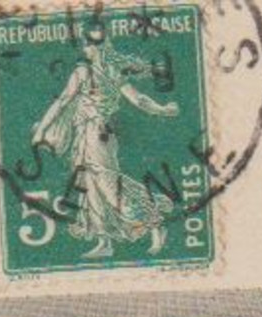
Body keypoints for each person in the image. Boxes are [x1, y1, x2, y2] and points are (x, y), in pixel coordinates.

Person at [30, 28, 180, 259]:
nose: (87, 49)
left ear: (90, 47)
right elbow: (139, 100)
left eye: (88, 45)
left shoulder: (83, 72)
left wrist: (41, 130)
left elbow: (61, 103)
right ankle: (105, 241)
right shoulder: (112, 71)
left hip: (95, 135)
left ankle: (154, 221)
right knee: (90, 186)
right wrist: (163, 109)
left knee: (108, 184)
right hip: (93, 134)